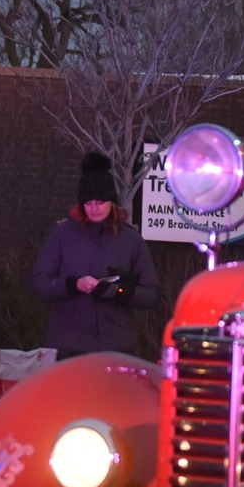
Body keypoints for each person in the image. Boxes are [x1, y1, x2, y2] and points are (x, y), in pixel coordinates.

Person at [32, 153, 159, 358]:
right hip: (68, 347)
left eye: (100, 202)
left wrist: (117, 291)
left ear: (112, 202)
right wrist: (73, 285)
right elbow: (39, 283)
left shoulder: (131, 240)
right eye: (88, 202)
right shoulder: (62, 235)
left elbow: (151, 294)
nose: (94, 208)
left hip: (117, 347)